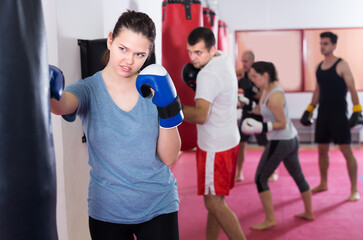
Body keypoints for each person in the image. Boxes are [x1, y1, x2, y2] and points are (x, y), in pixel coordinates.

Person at [50, 11, 182, 240]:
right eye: (123, 49)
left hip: (159, 204)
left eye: (140, 54)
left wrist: (167, 109)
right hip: (107, 211)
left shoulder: (154, 88)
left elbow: (169, 158)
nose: (129, 61)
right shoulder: (88, 89)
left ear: (148, 53)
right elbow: (62, 105)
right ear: (110, 40)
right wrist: (47, 86)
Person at [182, 27, 246, 240]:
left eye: (198, 52)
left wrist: (171, 107)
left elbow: (200, 115)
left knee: (213, 203)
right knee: (216, 201)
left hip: (215, 147)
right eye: (190, 51)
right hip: (229, 139)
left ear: (212, 50)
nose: (193, 58)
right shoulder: (223, 59)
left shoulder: (207, 75)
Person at [242, 61, 315, 230]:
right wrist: (246, 103)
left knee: (260, 179)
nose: (252, 80)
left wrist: (262, 127)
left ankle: (270, 219)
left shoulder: (275, 96)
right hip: (291, 138)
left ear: (265, 75)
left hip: (281, 140)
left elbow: (281, 123)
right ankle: (309, 212)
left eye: (254, 76)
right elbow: (262, 109)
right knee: (298, 176)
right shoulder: (267, 89)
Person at [301, 31, 363, 201]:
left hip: (339, 115)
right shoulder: (319, 67)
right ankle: (323, 183)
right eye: (321, 43)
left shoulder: (342, 65)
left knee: (346, 150)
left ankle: (354, 189)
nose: (323, 46)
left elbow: (352, 88)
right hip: (323, 115)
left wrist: (357, 110)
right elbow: (317, 90)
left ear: (334, 45)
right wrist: (310, 109)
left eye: (326, 43)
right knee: (322, 150)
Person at [235, 50, 271, 182]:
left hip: (259, 113)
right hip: (247, 112)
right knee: (241, 143)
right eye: (242, 61)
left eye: (245, 61)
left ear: (252, 61)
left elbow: (264, 95)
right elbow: (229, 76)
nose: (243, 64)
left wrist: (252, 89)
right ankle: (239, 172)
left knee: (265, 144)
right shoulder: (241, 72)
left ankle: (270, 172)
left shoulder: (259, 75)